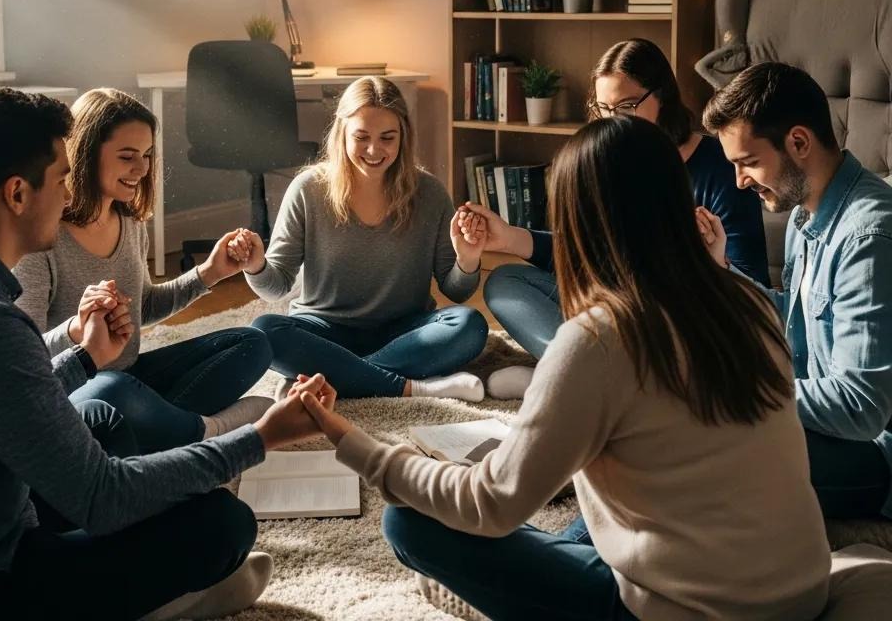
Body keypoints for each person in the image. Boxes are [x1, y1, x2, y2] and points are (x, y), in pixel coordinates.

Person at [294, 116, 832, 621]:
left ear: (579, 220)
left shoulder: (599, 340)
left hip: (683, 608)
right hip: (803, 586)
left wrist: (356, 442)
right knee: (598, 510)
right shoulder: (749, 300)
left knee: (409, 519)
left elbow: (490, 504)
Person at [0, 86, 328, 621]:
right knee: (223, 524)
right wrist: (262, 437)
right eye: (62, 179)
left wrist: (86, 357)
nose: (69, 196)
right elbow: (103, 499)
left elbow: (9, 394)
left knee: (100, 417)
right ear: (17, 194)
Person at [476, 37, 769, 398]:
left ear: (663, 97)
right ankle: (585, 377)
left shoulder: (721, 167)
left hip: (675, 321)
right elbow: (584, 255)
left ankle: (569, 380)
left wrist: (707, 259)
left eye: (627, 106)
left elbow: (750, 286)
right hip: (612, 312)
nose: (613, 122)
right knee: (506, 282)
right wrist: (508, 238)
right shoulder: (604, 161)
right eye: (603, 109)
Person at [15, 88, 272, 453]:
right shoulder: (43, 238)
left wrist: (211, 272)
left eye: (147, 155)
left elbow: (143, 308)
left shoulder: (129, 223)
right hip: (78, 390)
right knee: (111, 390)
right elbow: (25, 356)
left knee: (253, 343)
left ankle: (156, 429)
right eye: (127, 156)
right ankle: (208, 431)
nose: (142, 168)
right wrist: (77, 328)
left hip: (131, 380)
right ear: (86, 153)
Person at [702, 61, 892, 519]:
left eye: (748, 162)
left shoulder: (868, 238)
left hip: (875, 459)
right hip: (835, 433)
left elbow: (861, 407)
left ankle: (571, 568)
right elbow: (798, 317)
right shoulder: (805, 215)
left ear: (799, 142)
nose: (740, 181)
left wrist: (740, 389)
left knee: (699, 441)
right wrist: (717, 272)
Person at [230, 76, 489, 400]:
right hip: (324, 330)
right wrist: (255, 266)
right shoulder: (308, 189)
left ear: (403, 136)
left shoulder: (430, 193)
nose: (373, 150)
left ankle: (337, 378)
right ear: (342, 133)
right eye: (361, 136)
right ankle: (404, 385)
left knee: (470, 326)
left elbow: (456, 291)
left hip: (405, 331)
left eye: (387, 138)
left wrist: (467, 258)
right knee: (265, 332)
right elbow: (277, 286)